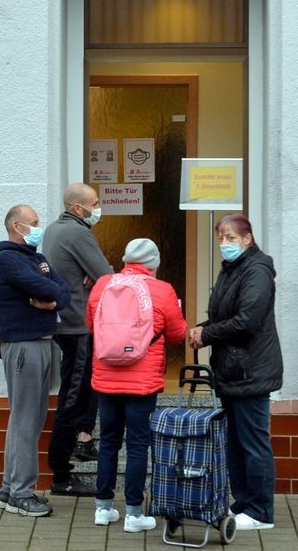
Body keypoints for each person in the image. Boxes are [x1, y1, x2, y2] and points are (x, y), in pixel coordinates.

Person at [188, 214, 282, 531]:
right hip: (232, 370)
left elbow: (248, 320)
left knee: (253, 442)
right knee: (236, 442)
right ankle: (243, 503)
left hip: (251, 369)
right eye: (221, 238)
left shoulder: (257, 269)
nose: (225, 244)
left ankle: (260, 510)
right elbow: (223, 315)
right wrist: (202, 329)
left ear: (247, 238)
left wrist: (207, 334)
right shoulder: (233, 270)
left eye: (231, 238)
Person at [88, 239, 187, 531]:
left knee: (107, 442)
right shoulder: (162, 289)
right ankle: (134, 514)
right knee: (137, 445)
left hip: (106, 378)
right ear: (153, 263)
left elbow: (90, 323)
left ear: (125, 260)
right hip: (142, 382)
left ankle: (102, 509)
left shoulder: (102, 285)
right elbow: (178, 333)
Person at [0, 204, 72, 517]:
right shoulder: (7, 258)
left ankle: (10, 488)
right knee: (25, 420)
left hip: (42, 343)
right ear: (16, 226)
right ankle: (21, 493)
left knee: (27, 419)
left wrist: (53, 301)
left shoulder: (37, 258)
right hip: (23, 345)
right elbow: (44, 287)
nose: (39, 227)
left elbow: (63, 291)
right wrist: (52, 296)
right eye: (33, 222)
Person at [41, 183, 113, 496]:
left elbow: (93, 272)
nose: (99, 208)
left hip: (65, 325)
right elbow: (107, 275)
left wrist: (92, 271)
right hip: (78, 325)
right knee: (74, 396)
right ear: (78, 208)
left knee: (83, 387)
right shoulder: (79, 233)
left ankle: (83, 441)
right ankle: (61, 474)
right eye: (95, 203)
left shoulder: (54, 230)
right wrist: (97, 271)